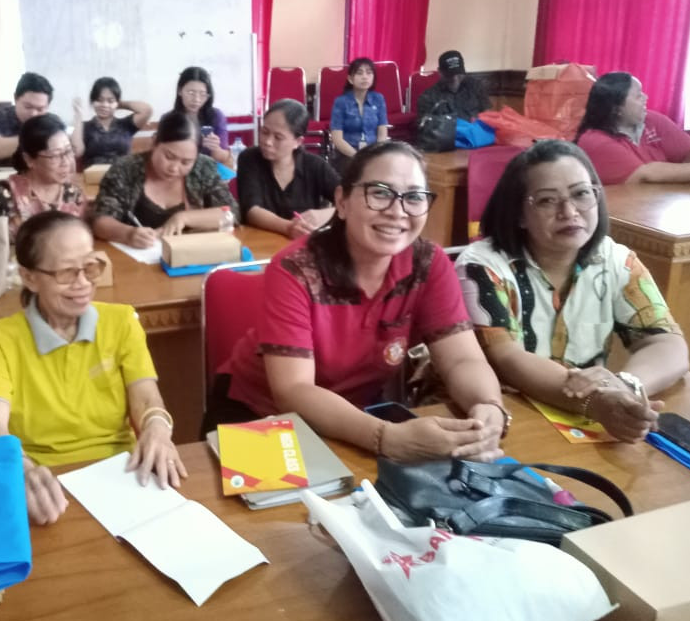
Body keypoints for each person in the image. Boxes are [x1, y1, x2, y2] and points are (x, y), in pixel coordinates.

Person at [214, 141, 509, 461]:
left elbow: (461, 359)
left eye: (413, 197)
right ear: (341, 201)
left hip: (359, 417)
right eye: (380, 192)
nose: (398, 211)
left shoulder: (428, 264)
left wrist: (488, 406)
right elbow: (293, 391)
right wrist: (385, 437)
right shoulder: (295, 268)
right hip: (262, 416)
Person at [455, 140, 687, 442]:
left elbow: (668, 342)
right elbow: (506, 357)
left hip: (579, 421)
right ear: (519, 214)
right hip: (501, 420)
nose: (569, 211)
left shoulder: (615, 260)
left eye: (581, 194)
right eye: (547, 201)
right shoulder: (481, 266)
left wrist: (626, 386)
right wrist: (598, 401)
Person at [0, 212, 187, 525]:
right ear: (30, 278)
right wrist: (21, 468)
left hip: (122, 473)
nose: (83, 283)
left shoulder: (122, 321)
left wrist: (157, 429)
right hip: (41, 478)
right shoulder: (0, 338)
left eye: (90, 267)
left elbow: (146, 399)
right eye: (66, 273)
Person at [92, 110, 238, 249]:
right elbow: (100, 220)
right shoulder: (126, 169)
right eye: (169, 157)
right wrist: (128, 234)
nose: (174, 168)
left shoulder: (203, 167)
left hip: (190, 259)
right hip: (138, 263)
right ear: (154, 142)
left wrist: (184, 218)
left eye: (186, 162)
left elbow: (232, 213)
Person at [0, 113, 88, 239]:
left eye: (68, 151)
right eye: (55, 155)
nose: (66, 162)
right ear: (29, 160)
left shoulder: (73, 194)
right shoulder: (4, 195)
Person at [237, 98, 340, 238]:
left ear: (298, 142)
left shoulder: (314, 165)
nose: (267, 142)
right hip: (259, 242)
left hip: (302, 245)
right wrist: (289, 227)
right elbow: (252, 211)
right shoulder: (249, 158)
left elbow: (350, 199)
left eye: (278, 137)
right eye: (265, 132)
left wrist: (326, 213)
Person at [576, 72, 690, 185]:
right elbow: (645, 175)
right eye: (638, 95)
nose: (646, 97)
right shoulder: (594, 140)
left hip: (659, 201)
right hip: (621, 206)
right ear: (617, 107)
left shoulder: (653, 120)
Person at [71, 77, 152, 166]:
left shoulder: (125, 125)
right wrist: (78, 115)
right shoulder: (84, 127)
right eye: (99, 100)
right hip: (95, 177)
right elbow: (77, 151)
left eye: (110, 101)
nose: (104, 105)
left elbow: (147, 110)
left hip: (123, 176)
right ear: (92, 101)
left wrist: (119, 104)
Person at [0, 72, 54, 167]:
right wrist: (36, 140)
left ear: (47, 106)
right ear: (15, 98)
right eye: (28, 107)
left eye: (40, 109)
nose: (33, 114)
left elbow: (69, 151)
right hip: (2, 177)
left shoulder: (51, 122)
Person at [329, 57, 389, 166]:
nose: (365, 77)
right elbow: (337, 139)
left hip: (373, 154)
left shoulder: (378, 99)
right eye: (359, 73)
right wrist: (358, 157)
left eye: (369, 73)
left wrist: (376, 155)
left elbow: (382, 134)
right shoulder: (340, 102)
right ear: (350, 79)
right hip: (348, 154)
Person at [173, 66, 231, 164]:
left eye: (202, 94)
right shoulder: (169, 119)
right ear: (180, 91)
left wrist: (215, 148)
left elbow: (224, 158)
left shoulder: (216, 116)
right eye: (191, 92)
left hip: (208, 171)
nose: (196, 99)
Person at [417, 49, 490, 122]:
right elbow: (424, 124)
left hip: (473, 131)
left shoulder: (476, 86)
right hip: (445, 133)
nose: (455, 79)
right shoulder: (428, 96)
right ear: (440, 72)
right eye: (450, 75)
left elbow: (487, 115)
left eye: (459, 75)